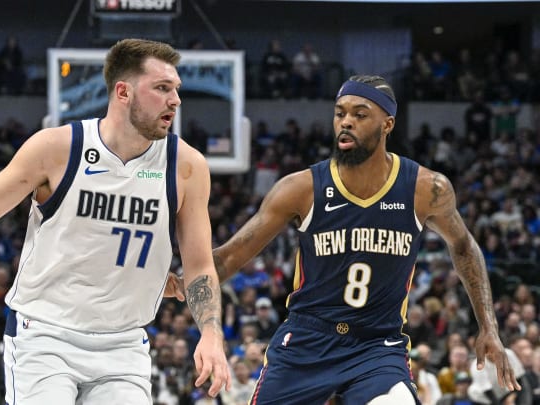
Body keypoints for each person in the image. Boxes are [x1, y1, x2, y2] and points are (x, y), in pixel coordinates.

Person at [0, 38, 230, 404]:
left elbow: (199, 265)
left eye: (176, 89)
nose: (175, 100)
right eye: (162, 88)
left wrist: (211, 333)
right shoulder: (57, 148)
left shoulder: (187, 166)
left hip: (124, 342)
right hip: (45, 335)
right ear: (123, 92)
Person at [170, 75, 520, 404]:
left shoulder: (426, 188)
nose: (345, 121)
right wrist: (170, 287)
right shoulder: (301, 189)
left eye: (360, 114)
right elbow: (229, 257)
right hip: (307, 342)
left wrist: (488, 325)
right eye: (340, 113)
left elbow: (463, 245)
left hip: (376, 347)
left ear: (388, 124)